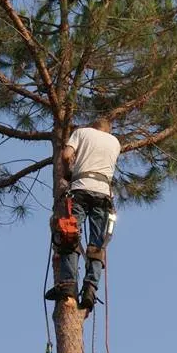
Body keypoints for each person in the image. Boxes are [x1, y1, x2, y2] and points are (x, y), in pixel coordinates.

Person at [45, 117, 120, 312]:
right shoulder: (115, 142)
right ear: (107, 130)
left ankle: (68, 284)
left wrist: (70, 174)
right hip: (103, 194)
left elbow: (66, 155)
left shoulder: (82, 132)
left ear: (93, 127)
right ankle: (90, 288)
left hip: (81, 189)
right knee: (97, 245)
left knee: (69, 236)